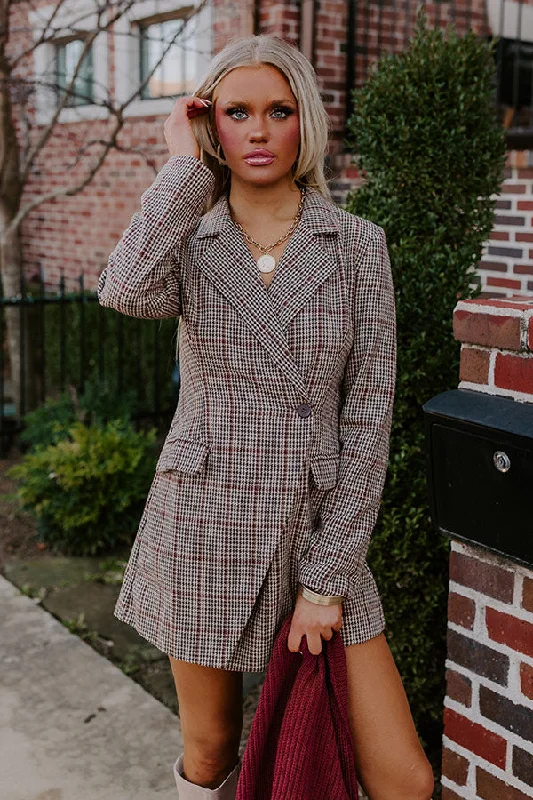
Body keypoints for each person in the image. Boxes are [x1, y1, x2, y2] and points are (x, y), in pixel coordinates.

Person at [98, 33, 434, 800]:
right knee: (211, 753)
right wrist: (183, 165)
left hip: (316, 526)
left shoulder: (354, 246)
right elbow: (123, 289)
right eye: (235, 112)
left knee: (404, 780)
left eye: (277, 111)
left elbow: (368, 417)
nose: (256, 130)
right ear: (212, 124)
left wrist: (325, 581)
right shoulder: (187, 237)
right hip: (205, 519)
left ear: (302, 122)